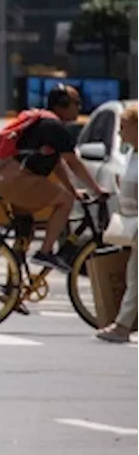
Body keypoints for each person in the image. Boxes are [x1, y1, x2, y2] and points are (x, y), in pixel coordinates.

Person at [0, 84, 107, 271]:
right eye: (76, 103)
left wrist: (74, 190)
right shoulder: (55, 127)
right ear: (63, 105)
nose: (79, 108)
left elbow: (57, 164)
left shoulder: (43, 122)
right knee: (64, 201)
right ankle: (46, 252)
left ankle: (12, 288)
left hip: (6, 179)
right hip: (19, 180)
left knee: (24, 234)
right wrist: (97, 191)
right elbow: (73, 163)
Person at [96, 105, 139, 343]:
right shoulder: (133, 153)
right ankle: (122, 325)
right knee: (135, 277)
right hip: (134, 223)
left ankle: (122, 326)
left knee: (136, 277)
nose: (121, 134)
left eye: (125, 128)